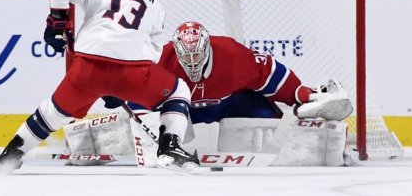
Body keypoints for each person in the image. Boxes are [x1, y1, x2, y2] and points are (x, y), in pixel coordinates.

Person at [0, 0, 199, 172]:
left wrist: (57, 24)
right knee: (178, 91)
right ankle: (170, 145)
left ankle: (11, 154)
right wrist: (121, 88)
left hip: (86, 70)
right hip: (132, 72)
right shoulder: (156, 5)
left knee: (53, 112)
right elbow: (153, 54)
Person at [119, 21, 353, 126]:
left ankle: (309, 108)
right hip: (185, 110)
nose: (192, 62)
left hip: (234, 103)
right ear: (177, 52)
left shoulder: (230, 54)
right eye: (186, 57)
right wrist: (144, 124)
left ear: (207, 48)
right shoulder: (161, 58)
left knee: (275, 123)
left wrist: (300, 94)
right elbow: (137, 92)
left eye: (197, 55)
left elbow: (268, 73)